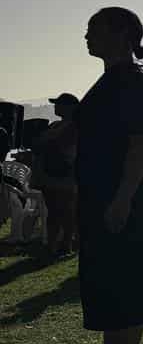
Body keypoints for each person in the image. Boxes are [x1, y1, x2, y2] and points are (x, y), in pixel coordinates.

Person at [73, 6, 143, 344]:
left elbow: (140, 146)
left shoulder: (135, 83)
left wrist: (123, 197)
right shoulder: (108, 81)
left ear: (121, 33)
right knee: (103, 271)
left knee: (125, 270)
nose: (87, 36)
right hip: (102, 188)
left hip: (126, 188)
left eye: (94, 28)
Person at [36, 92, 80, 257]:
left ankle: (65, 244)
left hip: (66, 175)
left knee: (65, 212)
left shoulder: (75, 127)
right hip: (51, 175)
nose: (55, 107)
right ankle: (54, 244)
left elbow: (55, 145)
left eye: (59, 104)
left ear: (70, 108)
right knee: (54, 211)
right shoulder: (56, 125)